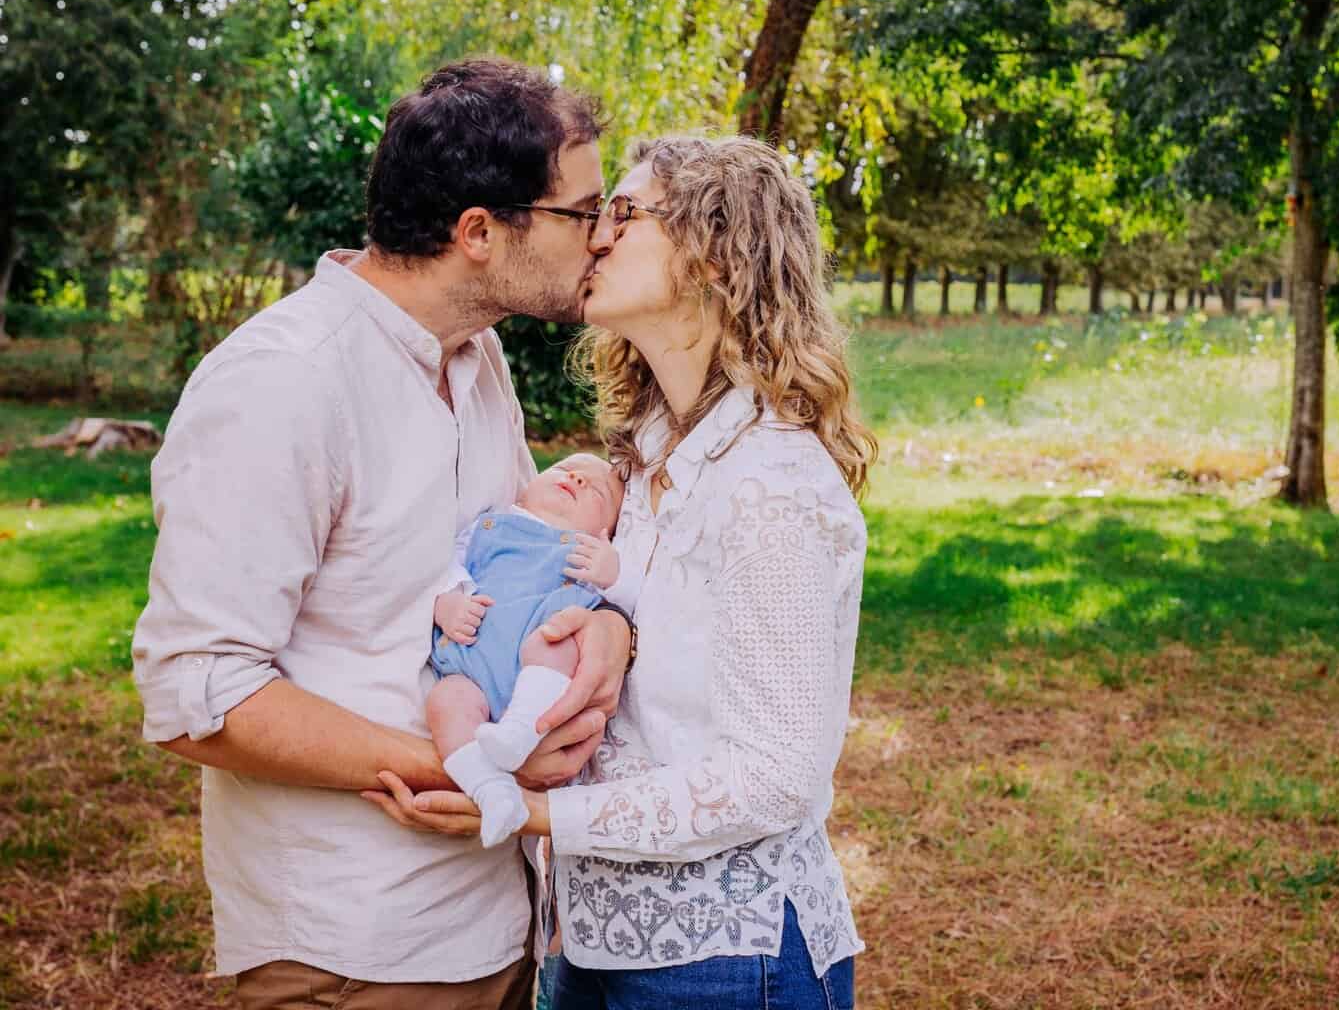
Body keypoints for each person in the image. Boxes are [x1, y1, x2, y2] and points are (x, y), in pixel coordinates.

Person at [131, 57, 635, 1010]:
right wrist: (467, 763)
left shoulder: (476, 357)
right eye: (584, 212)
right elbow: (195, 692)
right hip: (355, 947)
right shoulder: (283, 383)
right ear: (479, 232)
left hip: (497, 917)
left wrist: (609, 628)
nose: (603, 238)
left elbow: (514, 562)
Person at [371, 135, 876, 1009]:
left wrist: (529, 811)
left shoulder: (772, 484)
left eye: (625, 213)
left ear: (717, 253)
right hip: (593, 933)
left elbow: (774, 778)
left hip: (730, 956)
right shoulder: (643, 466)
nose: (595, 236)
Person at [428, 453, 627, 847]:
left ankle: (521, 730)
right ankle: (490, 790)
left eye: (598, 492)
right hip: (472, 663)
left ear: (608, 530)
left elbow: (618, 609)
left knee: (554, 639)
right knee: (443, 704)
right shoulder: (493, 522)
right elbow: (446, 567)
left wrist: (613, 573)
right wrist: (448, 603)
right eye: (563, 470)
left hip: (540, 665)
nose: (576, 479)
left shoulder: (592, 553)